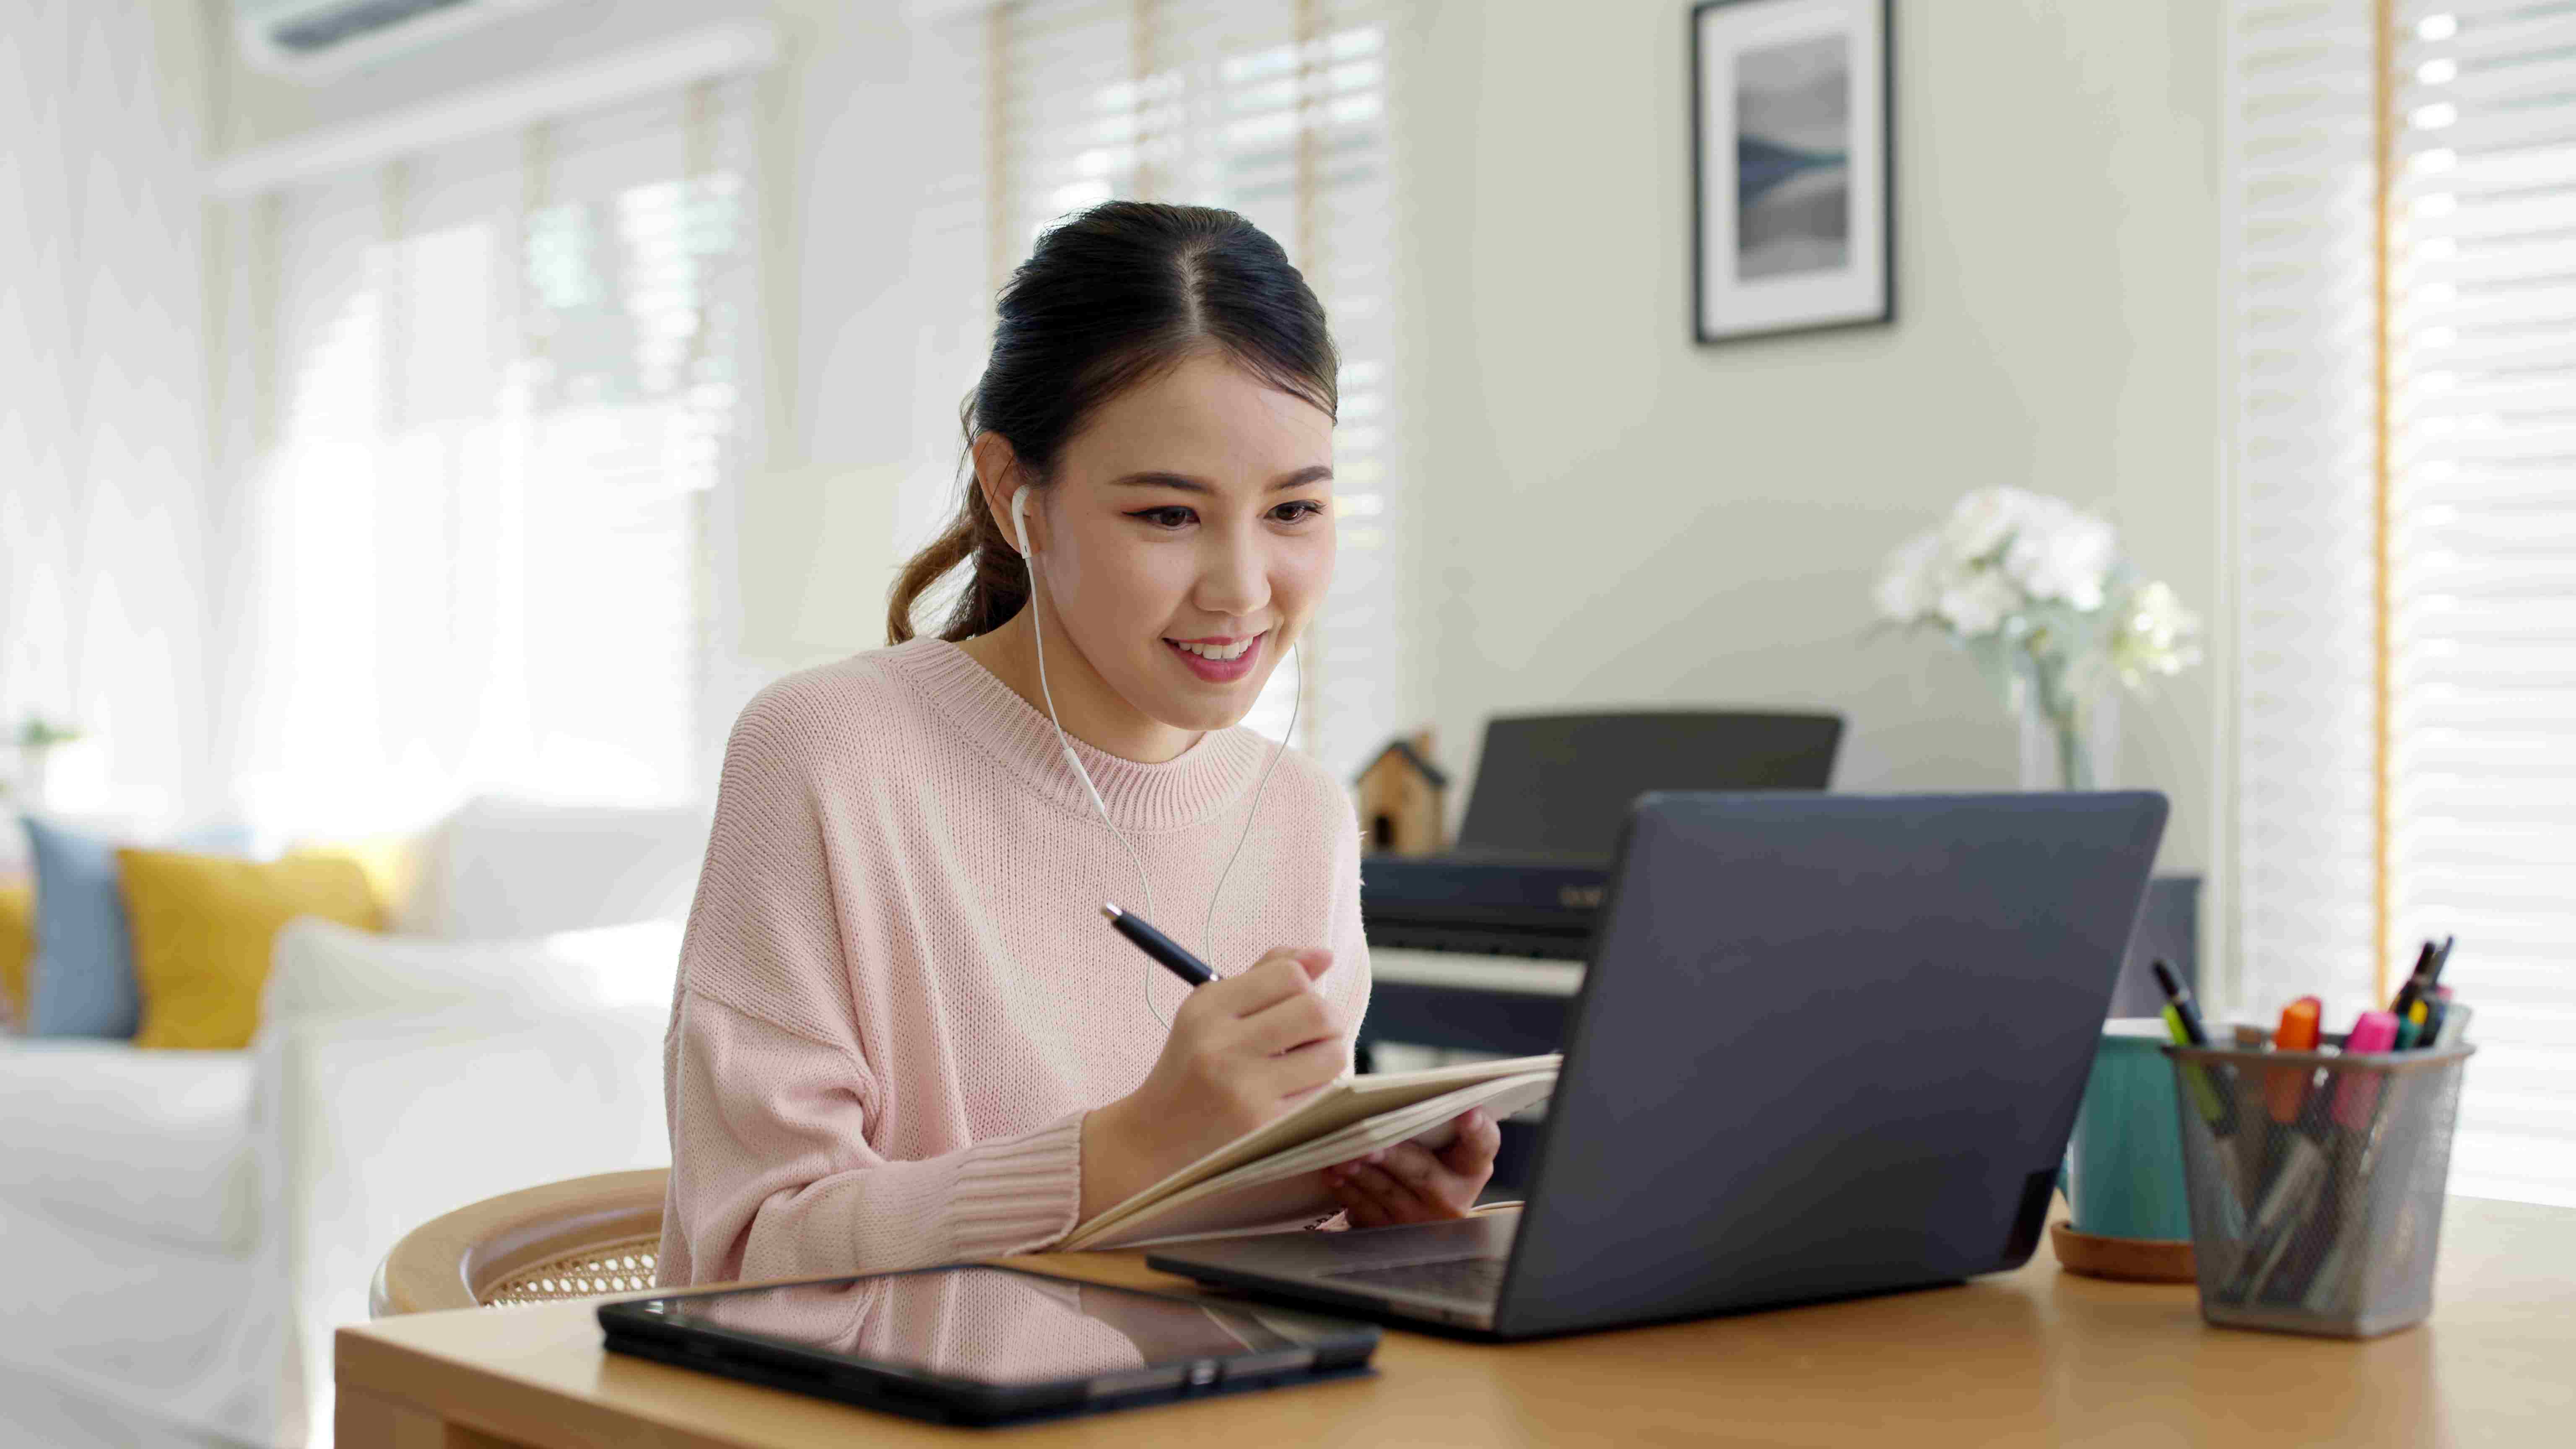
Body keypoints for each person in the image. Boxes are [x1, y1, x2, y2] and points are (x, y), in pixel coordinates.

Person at [657, 201, 1499, 1287]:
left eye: (1293, 512)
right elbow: (746, 1252)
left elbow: (1223, 1279)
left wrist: (1375, 1227)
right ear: (1019, 496)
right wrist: (1126, 1152)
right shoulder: (829, 753)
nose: (1243, 591)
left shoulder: (1301, 814)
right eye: (1167, 516)